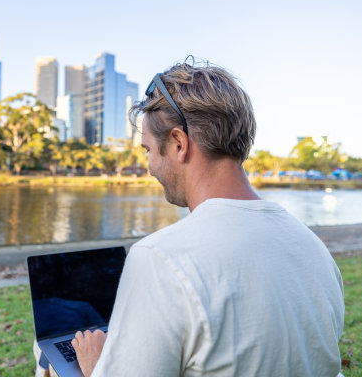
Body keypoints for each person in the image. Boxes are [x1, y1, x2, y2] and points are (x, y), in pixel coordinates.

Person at [70, 58, 345, 376]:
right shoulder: (312, 246)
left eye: (148, 150)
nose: (149, 166)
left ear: (178, 143)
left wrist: (95, 365)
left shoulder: (159, 258)